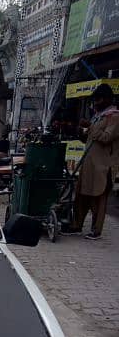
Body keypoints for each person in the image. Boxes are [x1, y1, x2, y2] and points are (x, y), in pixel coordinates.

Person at [70, 83, 119, 239]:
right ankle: (76, 225)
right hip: (88, 162)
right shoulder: (98, 115)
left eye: (97, 100)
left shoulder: (114, 116)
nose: (95, 104)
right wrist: (80, 132)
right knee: (81, 195)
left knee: (98, 198)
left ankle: (95, 230)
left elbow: (106, 138)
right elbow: (90, 139)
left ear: (105, 99)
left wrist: (90, 126)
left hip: (103, 166)